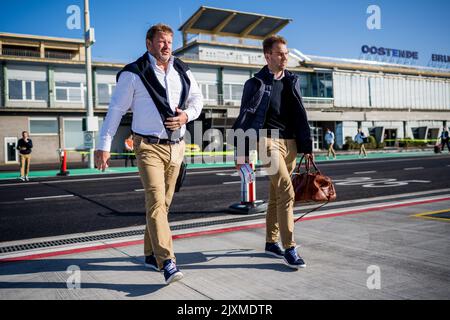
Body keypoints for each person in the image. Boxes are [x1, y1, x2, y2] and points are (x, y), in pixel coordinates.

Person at [94, 23, 203, 285]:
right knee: (156, 201)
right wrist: (104, 145)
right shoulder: (133, 74)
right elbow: (116, 110)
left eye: (169, 41)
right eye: (161, 41)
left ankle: (148, 253)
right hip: (148, 147)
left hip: (176, 147)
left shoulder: (182, 70)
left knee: (162, 206)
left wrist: (186, 116)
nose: (166, 46)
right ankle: (167, 262)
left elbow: (198, 100)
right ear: (149, 43)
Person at [232, 35, 313, 270]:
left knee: (277, 195)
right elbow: (244, 118)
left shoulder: (293, 80)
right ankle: (290, 248)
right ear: (268, 56)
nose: (285, 57)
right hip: (267, 140)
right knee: (287, 191)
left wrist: (306, 147)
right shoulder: (255, 83)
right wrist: (241, 152)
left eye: (286, 53)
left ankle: (271, 241)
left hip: (291, 143)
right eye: (280, 53)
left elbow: (300, 115)